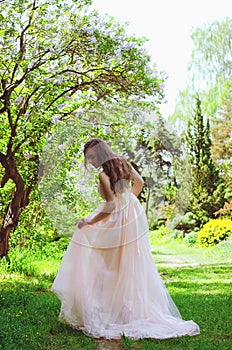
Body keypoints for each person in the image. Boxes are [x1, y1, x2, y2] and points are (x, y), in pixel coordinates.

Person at [52, 138, 200, 340]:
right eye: (88, 158)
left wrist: (88, 221)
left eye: (93, 157)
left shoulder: (104, 175)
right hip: (133, 216)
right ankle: (123, 309)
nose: (91, 161)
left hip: (117, 219)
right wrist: (129, 202)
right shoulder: (123, 163)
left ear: (102, 153)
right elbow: (138, 183)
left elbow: (111, 206)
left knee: (107, 263)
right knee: (129, 262)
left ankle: (111, 310)